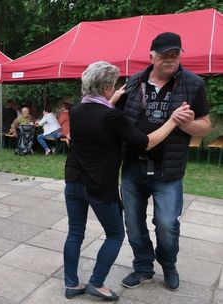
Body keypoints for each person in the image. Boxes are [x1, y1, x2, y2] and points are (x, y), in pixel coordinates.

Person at [63, 61, 187, 301]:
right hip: (99, 186)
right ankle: (96, 283)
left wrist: (113, 98)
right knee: (115, 234)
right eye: (114, 84)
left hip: (73, 181)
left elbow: (97, 116)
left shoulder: (77, 111)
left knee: (75, 232)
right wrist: (172, 120)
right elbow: (146, 142)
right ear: (107, 86)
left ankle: (71, 284)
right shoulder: (112, 116)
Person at [117, 32, 211, 291]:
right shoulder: (134, 82)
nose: (170, 60)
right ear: (152, 56)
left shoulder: (193, 84)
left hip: (168, 171)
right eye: (164, 55)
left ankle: (168, 264)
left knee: (167, 224)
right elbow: (117, 118)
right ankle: (143, 267)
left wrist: (188, 123)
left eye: (175, 55)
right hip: (134, 167)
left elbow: (204, 126)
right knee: (133, 224)